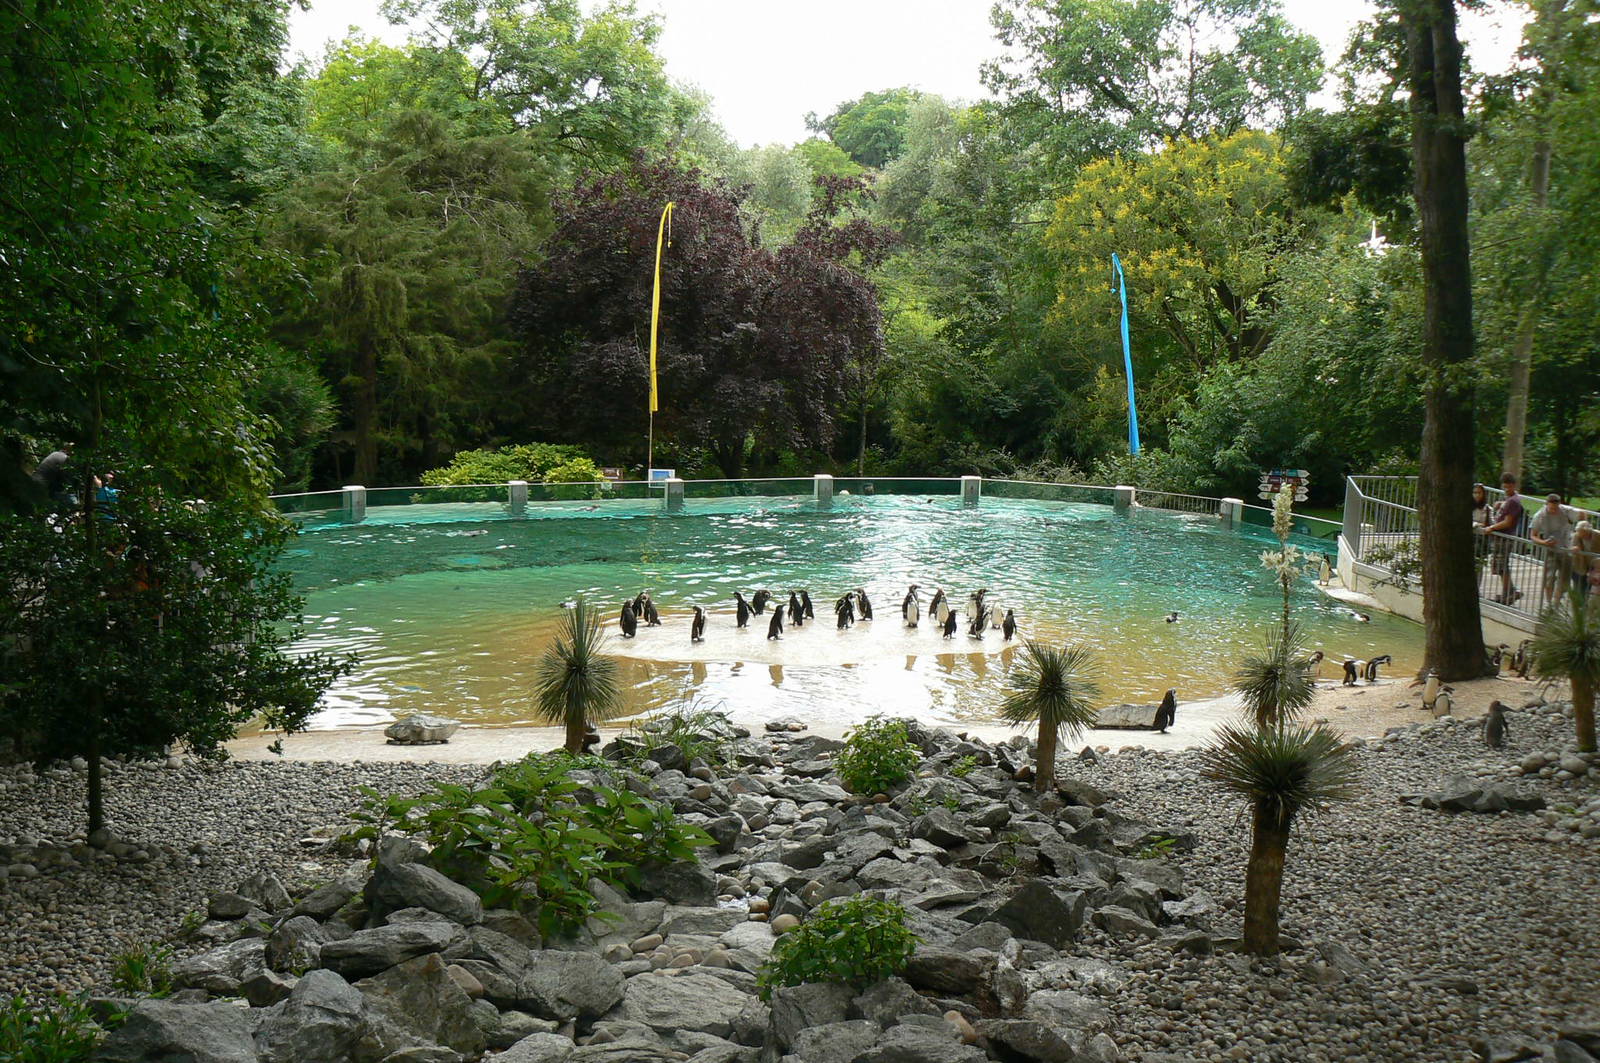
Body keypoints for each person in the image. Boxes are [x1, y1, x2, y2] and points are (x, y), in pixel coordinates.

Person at [1483, 473, 1525, 604]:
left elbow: (1507, 522)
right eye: (1504, 487)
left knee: (1502, 566)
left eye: (1509, 487)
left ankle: (1510, 592)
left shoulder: (1513, 501)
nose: (1506, 489)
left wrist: (1492, 528)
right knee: (1500, 566)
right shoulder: (1509, 499)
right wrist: (1500, 504)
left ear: (1513, 485)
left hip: (1504, 537)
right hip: (1499, 537)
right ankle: (1509, 591)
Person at [1528, 493, 1574, 604]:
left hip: (1566, 548)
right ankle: (1549, 604)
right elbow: (1533, 535)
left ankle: (1557, 602)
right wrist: (1544, 542)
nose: (1553, 511)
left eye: (1556, 508)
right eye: (1551, 508)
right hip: (1551, 549)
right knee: (1549, 579)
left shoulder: (1567, 511)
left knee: (1564, 580)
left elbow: (1583, 514)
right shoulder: (1540, 515)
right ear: (1546, 504)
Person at [1569, 519, 1599, 598]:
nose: (1582, 536)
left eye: (1584, 534)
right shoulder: (1576, 536)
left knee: (1591, 588)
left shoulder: (1597, 535)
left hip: (1595, 566)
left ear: (1589, 531)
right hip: (1580, 566)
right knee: (1579, 588)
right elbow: (1569, 548)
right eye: (1580, 534)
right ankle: (1580, 606)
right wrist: (1573, 548)